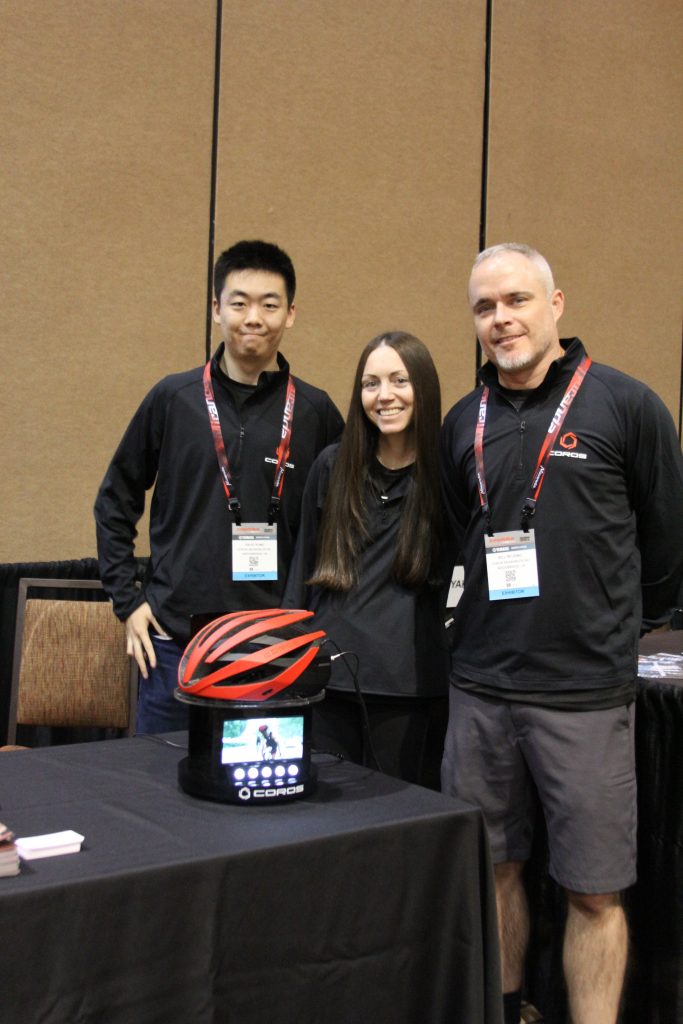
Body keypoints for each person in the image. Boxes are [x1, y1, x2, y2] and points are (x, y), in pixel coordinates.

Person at [439, 242, 683, 1024]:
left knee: (594, 890)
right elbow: (456, 534)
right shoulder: (461, 422)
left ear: (555, 305)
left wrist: (614, 630)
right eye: (484, 307)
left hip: (583, 696)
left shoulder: (623, 404)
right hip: (480, 689)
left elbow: (666, 544)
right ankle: (509, 1010)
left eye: (515, 300)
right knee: (494, 871)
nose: (500, 319)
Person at [95, 240, 344, 733]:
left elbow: (348, 517)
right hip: (176, 641)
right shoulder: (174, 398)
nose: (254, 317)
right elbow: (115, 500)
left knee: (260, 794)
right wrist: (128, 601)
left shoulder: (316, 413)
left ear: (290, 314)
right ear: (216, 309)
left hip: (276, 643)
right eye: (239, 302)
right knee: (162, 791)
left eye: (269, 304)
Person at [283, 331, 451, 789]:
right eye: (370, 383)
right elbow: (302, 576)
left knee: (398, 822)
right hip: (329, 680)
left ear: (425, 388)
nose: (385, 396)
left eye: (400, 380)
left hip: (411, 688)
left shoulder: (448, 474)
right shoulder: (332, 466)